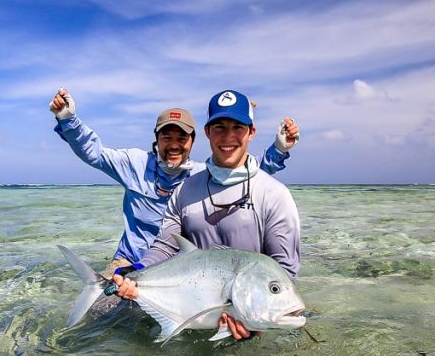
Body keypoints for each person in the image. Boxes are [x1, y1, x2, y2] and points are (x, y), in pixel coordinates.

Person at [111, 89, 301, 340]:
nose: (228, 136)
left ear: (251, 132)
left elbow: (284, 268)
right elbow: (166, 246)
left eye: (238, 127)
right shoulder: (185, 190)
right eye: (219, 127)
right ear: (208, 133)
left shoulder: (274, 194)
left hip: (253, 320)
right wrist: (136, 271)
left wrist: (255, 324)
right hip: (192, 315)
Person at [49, 88, 299, 277]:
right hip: (130, 263)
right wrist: (68, 119)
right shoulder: (132, 163)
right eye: (166, 136)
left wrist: (279, 148)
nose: (174, 144)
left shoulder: (202, 176)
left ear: (193, 141)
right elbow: (94, 153)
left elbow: (248, 171)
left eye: (182, 137)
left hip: (179, 269)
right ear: (156, 139)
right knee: (101, 314)